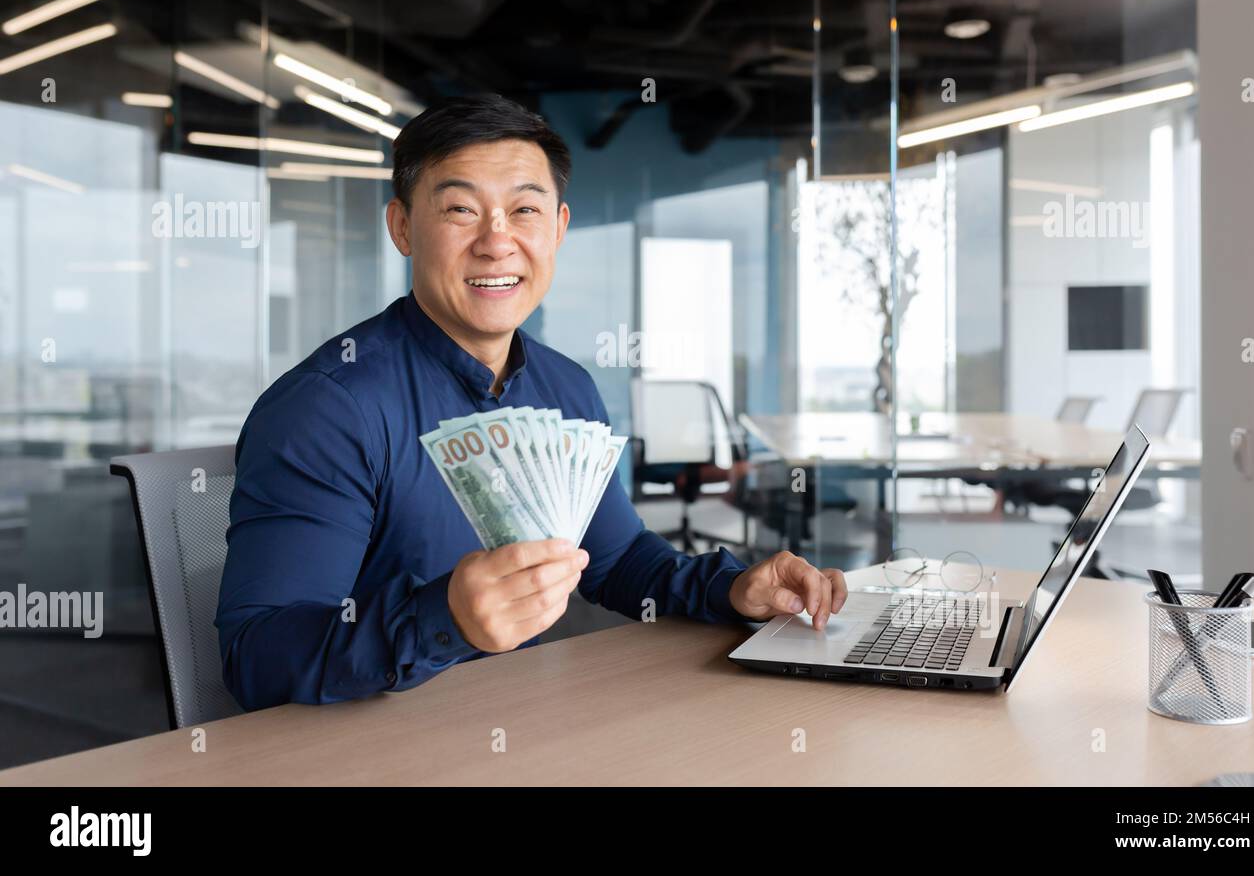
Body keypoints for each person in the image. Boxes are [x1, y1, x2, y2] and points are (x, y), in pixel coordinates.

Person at [216, 94, 847, 710]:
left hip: (519, 725)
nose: (497, 241)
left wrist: (734, 588)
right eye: (461, 209)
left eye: (524, 211)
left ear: (559, 228)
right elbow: (257, 656)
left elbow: (617, 556)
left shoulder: (566, 389)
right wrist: (443, 618)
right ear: (402, 227)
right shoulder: (327, 409)